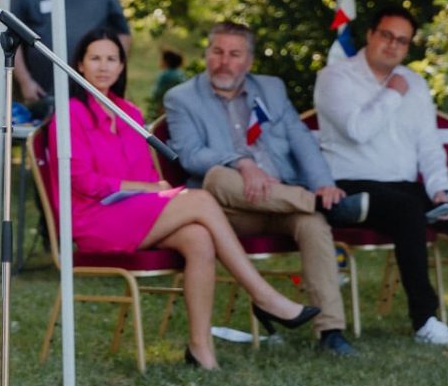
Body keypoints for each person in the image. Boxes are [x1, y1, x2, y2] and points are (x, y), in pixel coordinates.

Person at [58, 28, 318, 368]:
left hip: (133, 214)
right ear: (80, 64)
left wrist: (153, 188)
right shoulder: (69, 114)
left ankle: (200, 350)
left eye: (111, 59)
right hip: (94, 217)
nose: (103, 67)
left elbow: (150, 178)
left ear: (122, 67)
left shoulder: (131, 115)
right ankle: (264, 295)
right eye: (95, 58)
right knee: (200, 200)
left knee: (198, 237)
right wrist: (142, 189)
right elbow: (80, 180)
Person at [314, 6, 448, 345]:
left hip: (405, 188)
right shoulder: (335, 77)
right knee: (407, 209)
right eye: (386, 35)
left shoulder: (415, 82)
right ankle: (425, 320)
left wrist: (441, 189)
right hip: (351, 187)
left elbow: (429, 145)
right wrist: (392, 93)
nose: (393, 46)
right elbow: (357, 130)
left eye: (402, 41)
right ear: (370, 34)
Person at [164, 22, 366, 357]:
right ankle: (318, 205)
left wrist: (324, 184)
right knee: (217, 176)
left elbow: (301, 140)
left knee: (313, 226)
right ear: (206, 54)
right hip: (227, 211)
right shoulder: (182, 98)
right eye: (217, 52)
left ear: (249, 61)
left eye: (234, 54)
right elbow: (190, 155)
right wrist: (242, 162)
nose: (224, 62)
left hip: (279, 203)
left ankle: (331, 331)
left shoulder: (271, 89)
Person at [11, 0, 129, 115]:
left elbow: (122, 34)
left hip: (94, 95)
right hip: (45, 96)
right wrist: (25, 81)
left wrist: (114, 73)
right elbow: (11, 40)